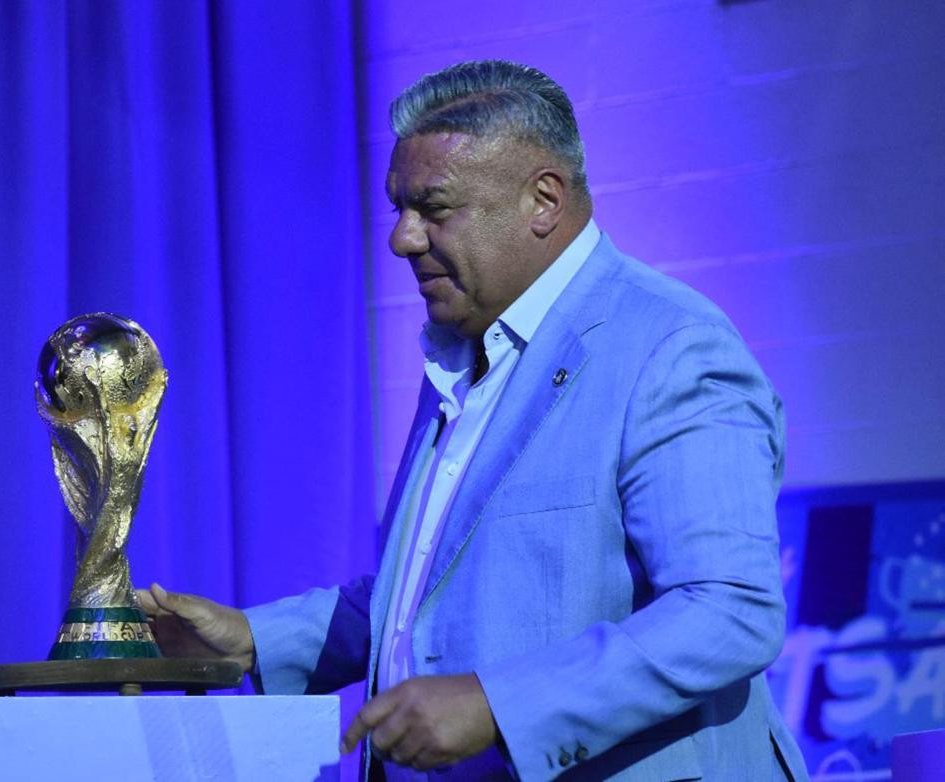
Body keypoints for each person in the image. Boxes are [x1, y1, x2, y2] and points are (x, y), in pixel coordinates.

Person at [139, 60, 808, 781]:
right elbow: (441, 601)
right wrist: (252, 642)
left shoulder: (670, 347)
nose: (402, 238)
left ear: (543, 200)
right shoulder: (466, 350)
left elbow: (728, 612)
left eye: (434, 208)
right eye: (398, 207)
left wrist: (499, 706)